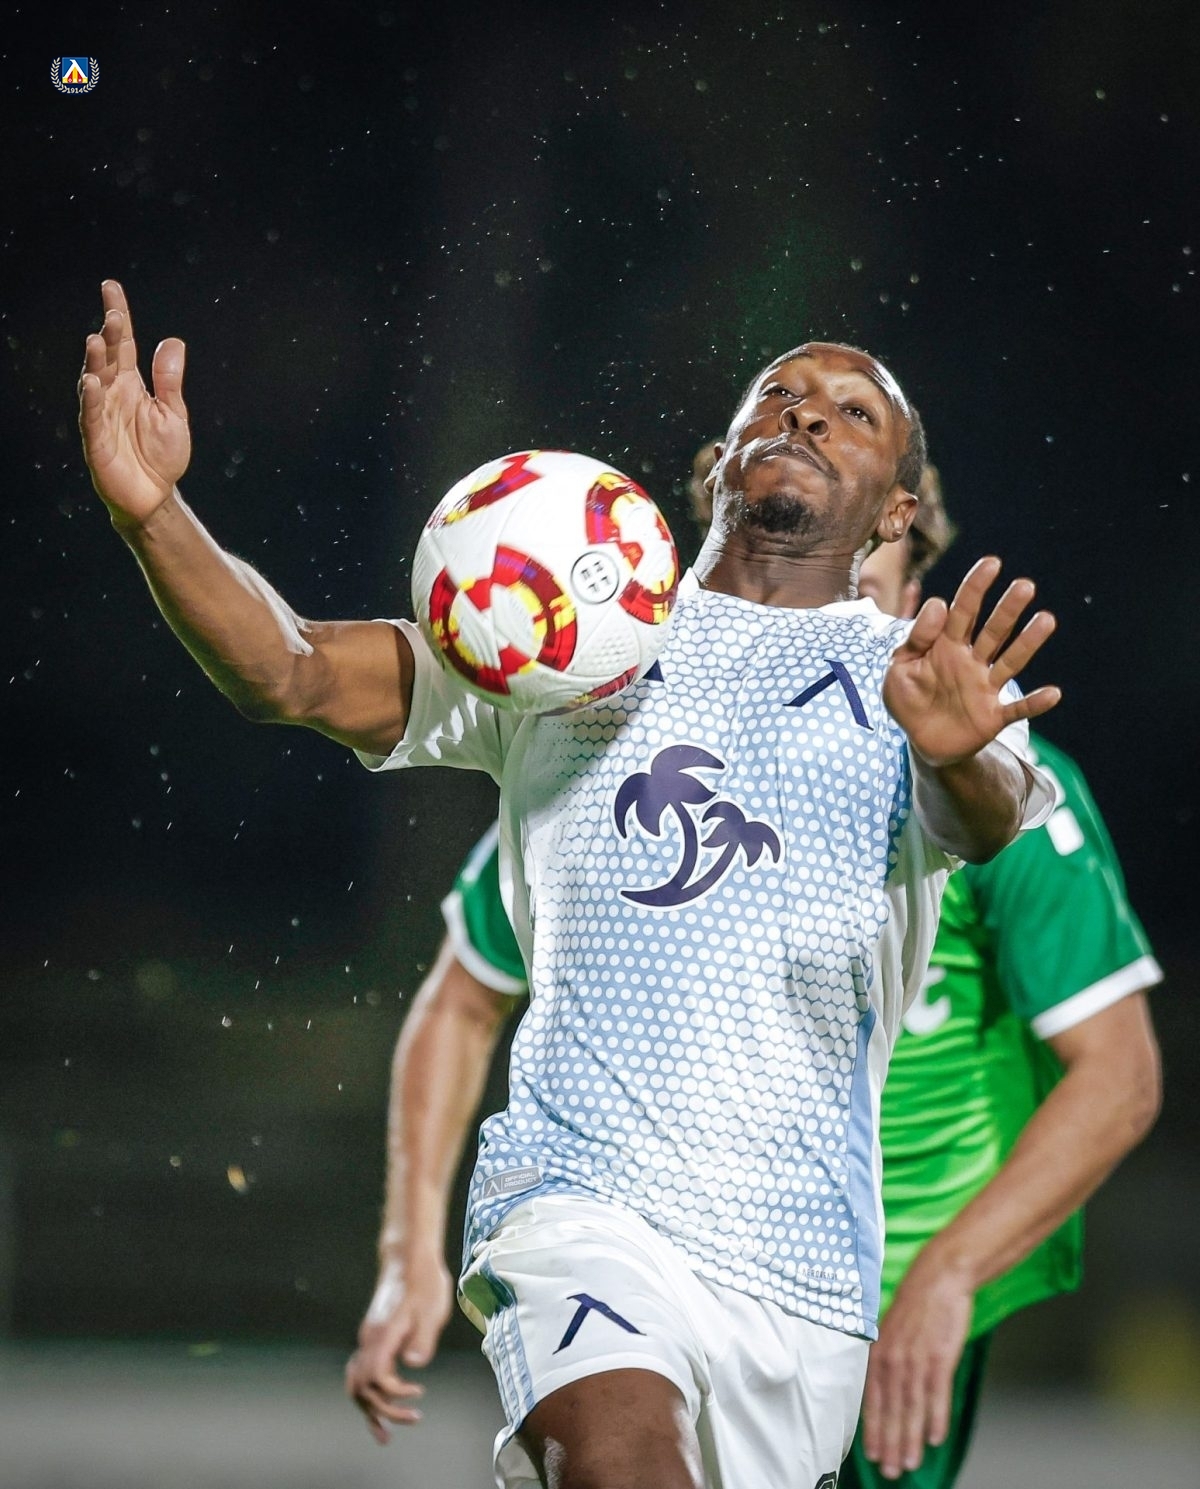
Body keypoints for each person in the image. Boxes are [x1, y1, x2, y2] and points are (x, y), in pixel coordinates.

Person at [80, 279, 1060, 1489]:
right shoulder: (566, 643)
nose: (806, 415)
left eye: (852, 412)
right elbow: (294, 673)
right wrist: (156, 516)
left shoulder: (921, 678)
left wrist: (955, 753)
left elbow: (989, 819)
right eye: (779, 395)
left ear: (897, 508)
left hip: (800, 1266)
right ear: (718, 463)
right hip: (577, 1201)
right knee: (620, 1465)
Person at [348, 464, 1161, 1487]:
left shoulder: (998, 791)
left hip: (891, 1290)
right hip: (652, 1239)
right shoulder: (614, 748)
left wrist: (950, 1275)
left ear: (913, 586)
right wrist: (407, 1256)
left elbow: (1119, 1074)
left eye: (862, 570)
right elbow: (462, 1000)